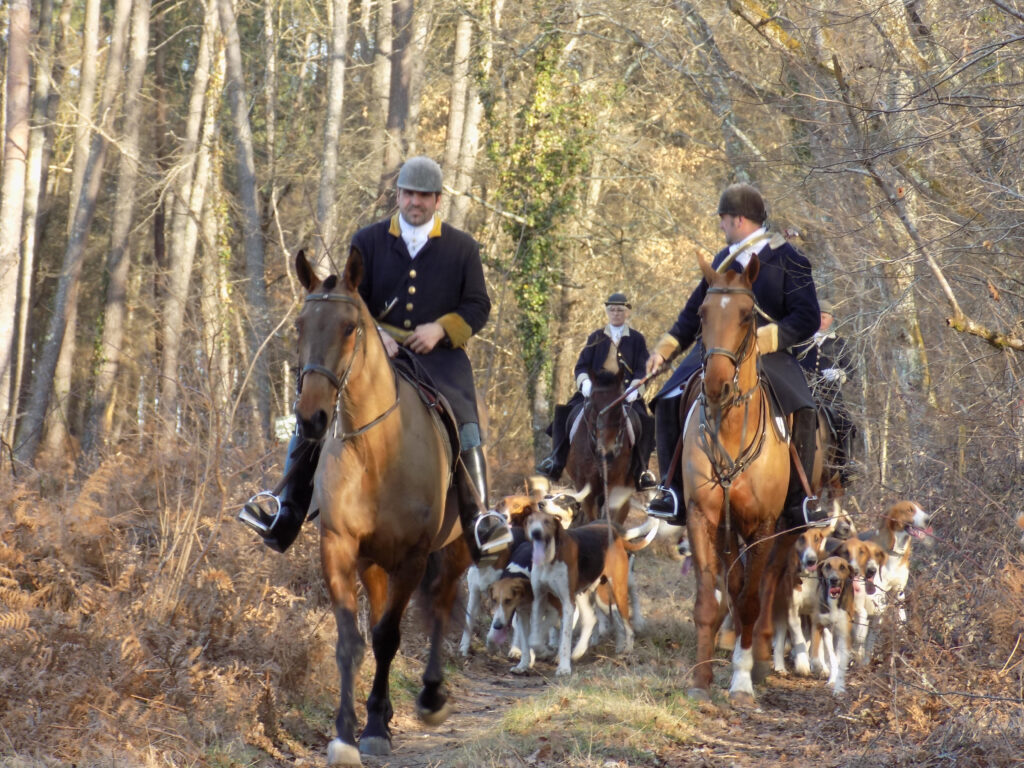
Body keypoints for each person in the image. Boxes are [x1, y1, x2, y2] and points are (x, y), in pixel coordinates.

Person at [239, 156, 509, 557]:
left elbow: (478, 305)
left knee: (466, 419)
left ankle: (478, 521)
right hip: (374, 354)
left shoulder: (463, 248)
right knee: (317, 409)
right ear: (398, 195)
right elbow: (352, 298)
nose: (415, 202)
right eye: (408, 193)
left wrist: (441, 329)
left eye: (423, 195)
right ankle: (286, 509)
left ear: (437, 200)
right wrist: (377, 333)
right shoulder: (367, 240)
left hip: (439, 358)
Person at [645, 182, 824, 528]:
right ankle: (673, 493)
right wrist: (664, 350)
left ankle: (800, 499)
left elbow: (807, 317)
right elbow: (692, 313)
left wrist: (764, 339)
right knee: (667, 398)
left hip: (767, 353)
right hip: (715, 350)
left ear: (739, 220)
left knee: (803, 407)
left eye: (723, 220)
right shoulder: (721, 261)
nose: (722, 227)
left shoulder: (791, 259)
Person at [535, 292, 657, 491]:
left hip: (624, 394)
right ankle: (555, 460)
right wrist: (585, 384)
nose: (616, 313)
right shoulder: (596, 337)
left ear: (627, 312)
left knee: (644, 420)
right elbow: (582, 365)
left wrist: (637, 386)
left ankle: (643, 470)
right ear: (607, 311)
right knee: (564, 414)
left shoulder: (636, 339)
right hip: (596, 391)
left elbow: (644, 369)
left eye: (620, 310)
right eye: (612, 309)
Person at [796, 299, 857, 484]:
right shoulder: (801, 341)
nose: (821, 320)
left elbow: (851, 370)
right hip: (802, 393)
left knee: (847, 423)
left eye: (825, 317)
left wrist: (840, 374)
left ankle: (847, 466)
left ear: (831, 319)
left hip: (830, 396)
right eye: (818, 316)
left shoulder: (839, 343)